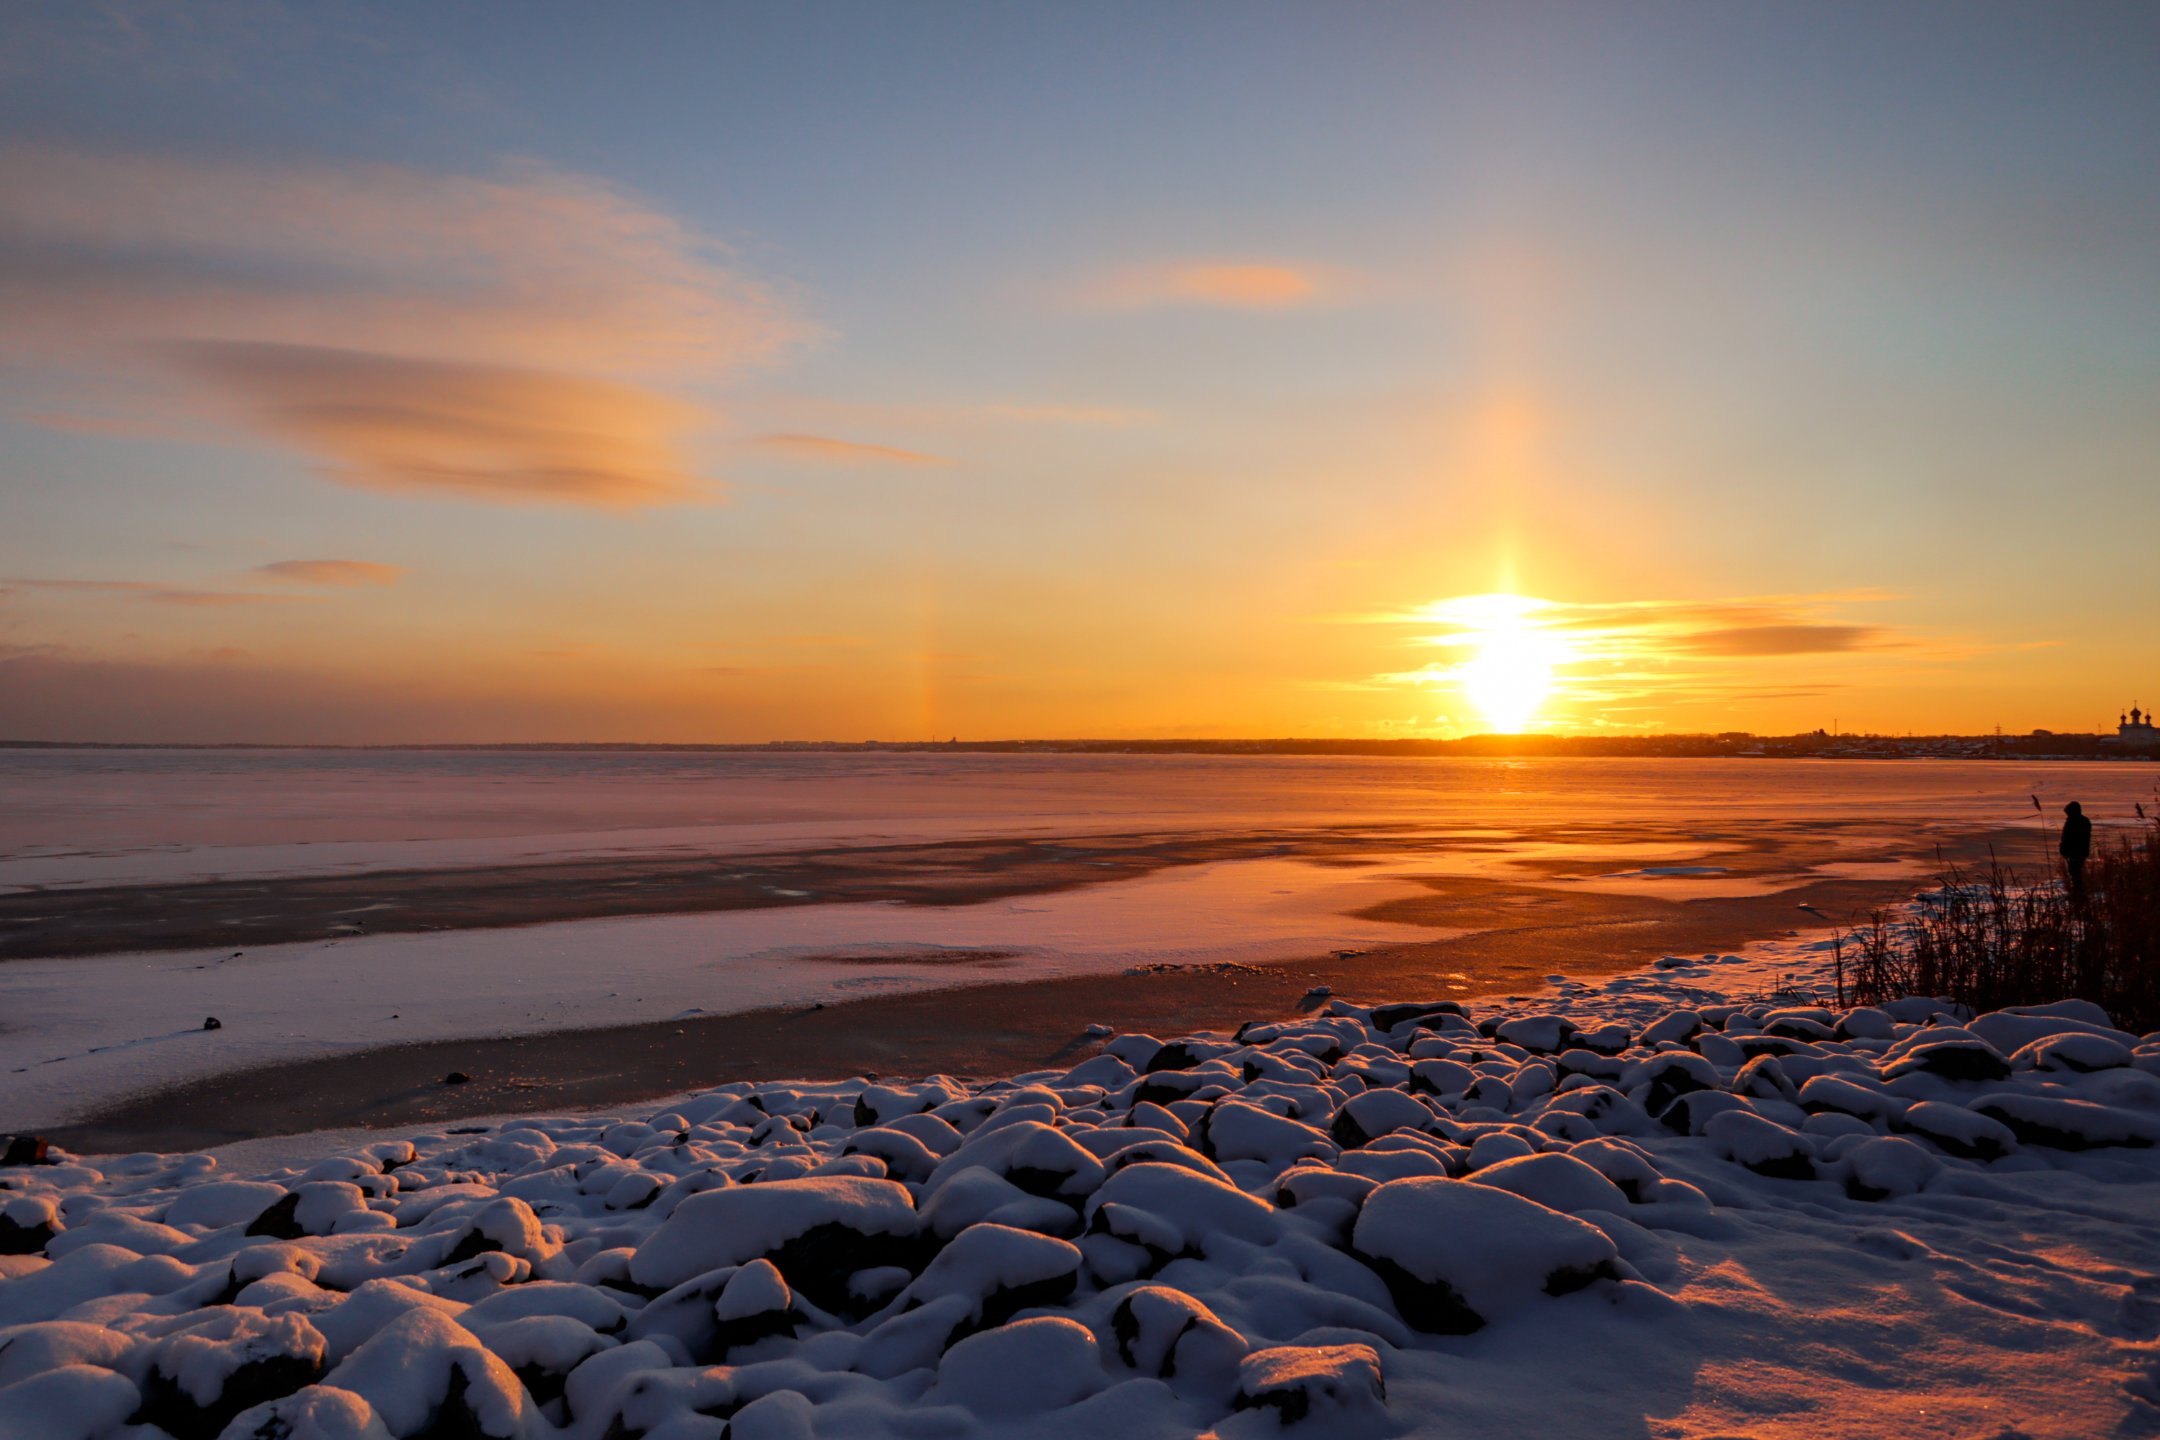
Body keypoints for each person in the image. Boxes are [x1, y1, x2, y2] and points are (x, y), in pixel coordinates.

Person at [2060, 800, 2093, 897]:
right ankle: (2077, 891)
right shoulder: (2083, 821)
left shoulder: (2074, 821)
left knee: (2075, 872)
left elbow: (2069, 837)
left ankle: (2078, 893)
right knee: (2074, 872)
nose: (2067, 814)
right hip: (2079, 851)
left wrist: (2065, 848)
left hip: (2075, 852)